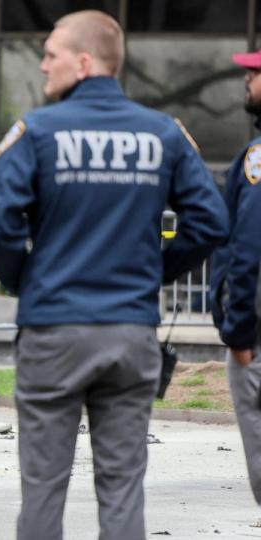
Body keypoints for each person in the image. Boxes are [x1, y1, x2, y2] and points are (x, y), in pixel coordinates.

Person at [0, 11, 228, 540]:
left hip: (54, 330)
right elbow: (210, 222)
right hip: (130, 330)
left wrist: (27, 279)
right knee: (122, 489)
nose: (43, 63)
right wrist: (152, 273)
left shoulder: (39, 130)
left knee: (43, 486)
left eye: (52, 54)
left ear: (85, 62)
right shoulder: (163, 133)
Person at [210, 48, 261, 508]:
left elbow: (247, 251)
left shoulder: (258, 162)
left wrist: (239, 331)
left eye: (257, 72)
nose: (248, 80)